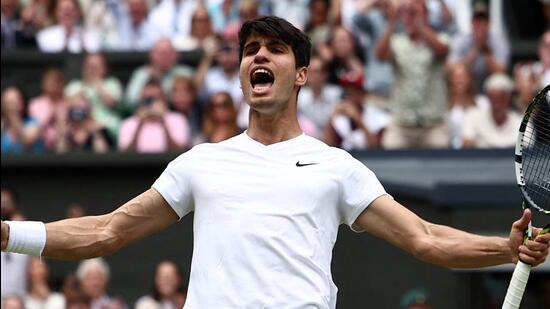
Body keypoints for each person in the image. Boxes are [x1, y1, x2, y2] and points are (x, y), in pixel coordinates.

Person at [1, 16, 550, 308]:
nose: (258, 55)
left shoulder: (336, 166)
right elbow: (104, 232)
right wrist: (8, 234)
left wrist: (502, 249)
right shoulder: (201, 163)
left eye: (274, 49)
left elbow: (425, 239)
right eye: (249, 51)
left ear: (302, 74)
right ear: (241, 75)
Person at [376, 0, 450, 149]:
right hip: (402, 125)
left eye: (414, 13)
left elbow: (442, 50)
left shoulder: (440, 38)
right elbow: (380, 55)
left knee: (442, 154)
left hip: (432, 125)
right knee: (389, 148)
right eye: (406, 14)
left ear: (426, 15)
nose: (409, 18)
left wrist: (421, 25)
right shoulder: (397, 42)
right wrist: (391, 24)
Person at [119, 79, 191, 153]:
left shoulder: (178, 120)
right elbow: (126, 154)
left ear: (164, 99)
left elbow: (179, 152)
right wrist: (140, 123)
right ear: (140, 100)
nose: (151, 103)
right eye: (147, 99)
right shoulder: (128, 123)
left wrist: (163, 121)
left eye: (155, 98)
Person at [65, 53, 124, 140]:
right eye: (89, 66)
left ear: (104, 68)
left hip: (105, 128)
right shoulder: (74, 85)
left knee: (95, 132)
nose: (92, 69)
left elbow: (112, 104)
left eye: (96, 66)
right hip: (80, 126)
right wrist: (85, 86)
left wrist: (98, 84)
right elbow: (67, 107)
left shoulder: (112, 83)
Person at [461, 73, 522, 149]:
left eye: (501, 98)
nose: (497, 103)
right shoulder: (472, 116)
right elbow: (466, 144)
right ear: (488, 97)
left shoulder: (522, 122)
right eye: (493, 98)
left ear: (508, 98)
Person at [1, 86, 44, 154]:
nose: (12, 106)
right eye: (8, 102)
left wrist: (13, 116)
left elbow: (27, 140)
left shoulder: (33, 122)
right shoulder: (3, 125)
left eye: (15, 101)